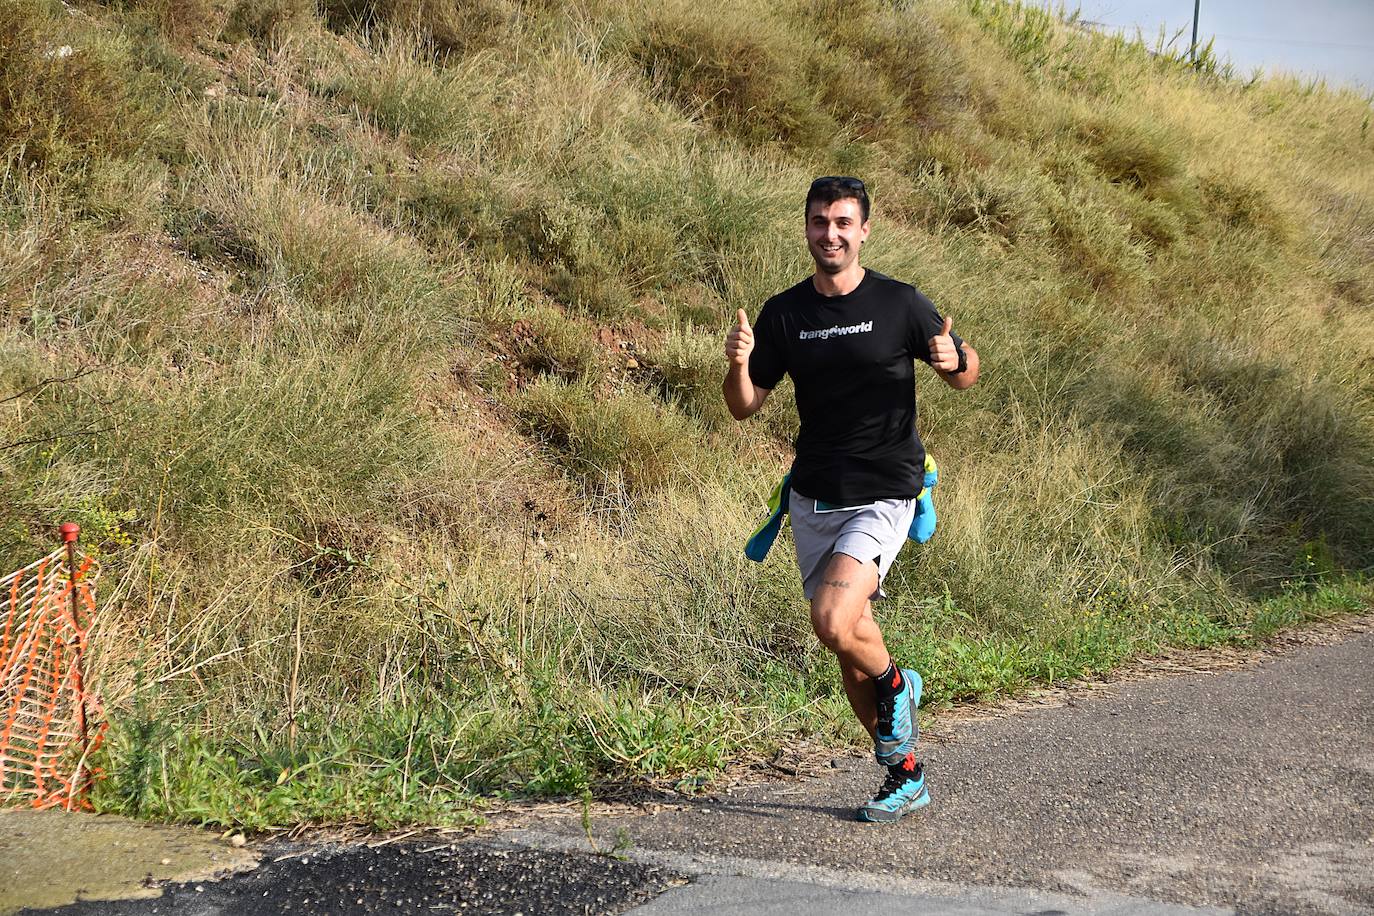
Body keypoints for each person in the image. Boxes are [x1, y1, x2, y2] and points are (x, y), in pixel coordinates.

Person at [722, 175, 980, 822]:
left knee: (834, 622)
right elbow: (743, 407)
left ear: (864, 230)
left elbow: (966, 376)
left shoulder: (899, 303)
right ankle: (906, 773)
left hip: (884, 490)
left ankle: (898, 686)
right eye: (819, 221)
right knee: (848, 643)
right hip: (813, 496)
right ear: (806, 228)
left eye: (842, 222)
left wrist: (954, 357)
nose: (830, 233)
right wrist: (737, 362)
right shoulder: (784, 314)